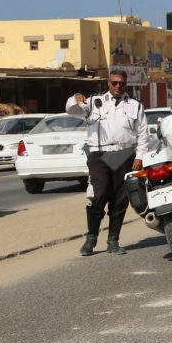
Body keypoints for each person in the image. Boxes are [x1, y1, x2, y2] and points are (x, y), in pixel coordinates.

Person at [66, 69, 149, 256]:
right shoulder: (94, 102)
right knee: (98, 195)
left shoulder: (135, 105)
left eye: (122, 83)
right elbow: (71, 109)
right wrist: (75, 97)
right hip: (100, 154)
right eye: (114, 83)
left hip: (125, 154)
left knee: (120, 199)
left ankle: (113, 241)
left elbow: (143, 133)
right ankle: (91, 238)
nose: (118, 86)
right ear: (108, 83)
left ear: (126, 84)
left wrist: (139, 156)